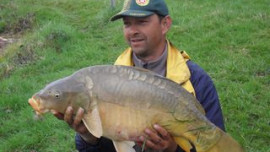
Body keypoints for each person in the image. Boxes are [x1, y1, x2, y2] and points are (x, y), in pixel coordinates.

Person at [53, 0, 225, 152]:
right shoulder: (105, 82)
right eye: (127, 24)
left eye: (142, 22)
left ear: (165, 24)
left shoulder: (197, 81)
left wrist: (173, 149)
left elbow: (213, 141)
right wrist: (88, 137)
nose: (132, 31)